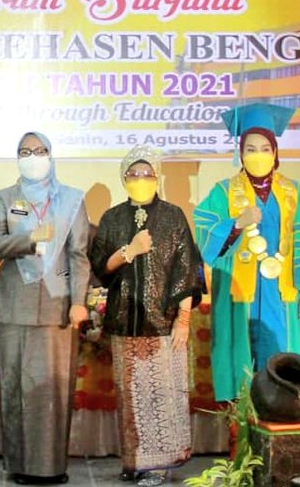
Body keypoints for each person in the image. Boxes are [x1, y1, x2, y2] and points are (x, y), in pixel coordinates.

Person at [193, 102, 300, 402]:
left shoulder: (294, 192)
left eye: (265, 148)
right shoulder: (223, 192)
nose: (258, 155)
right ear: (240, 153)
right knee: (241, 362)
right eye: (250, 149)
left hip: (283, 294)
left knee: (283, 359)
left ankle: (284, 419)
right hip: (239, 295)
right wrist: (236, 224)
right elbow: (204, 236)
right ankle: (242, 424)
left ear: (275, 151)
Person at [89, 146, 203, 487]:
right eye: (134, 174)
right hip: (125, 322)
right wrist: (129, 251)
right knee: (131, 396)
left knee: (161, 394)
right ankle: (135, 460)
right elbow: (100, 268)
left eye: (147, 173)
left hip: (163, 324)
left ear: (157, 177)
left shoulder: (172, 216)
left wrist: (183, 320)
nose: (141, 179)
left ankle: (158, 464)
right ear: (124, 179)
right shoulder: (112, 218)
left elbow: (187, 270)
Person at [0, 132, 90, 485]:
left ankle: (51, 467)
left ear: (50, 154)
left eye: (39, 150)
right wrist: (31, 238)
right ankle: (18, 465)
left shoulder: (71, 199)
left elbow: (78, 256)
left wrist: (79, 302)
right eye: (25, 151)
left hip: (57, 306)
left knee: (52, 390)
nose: (33, 157)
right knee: (14, 387)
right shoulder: (5, 197)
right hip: (13, 306)